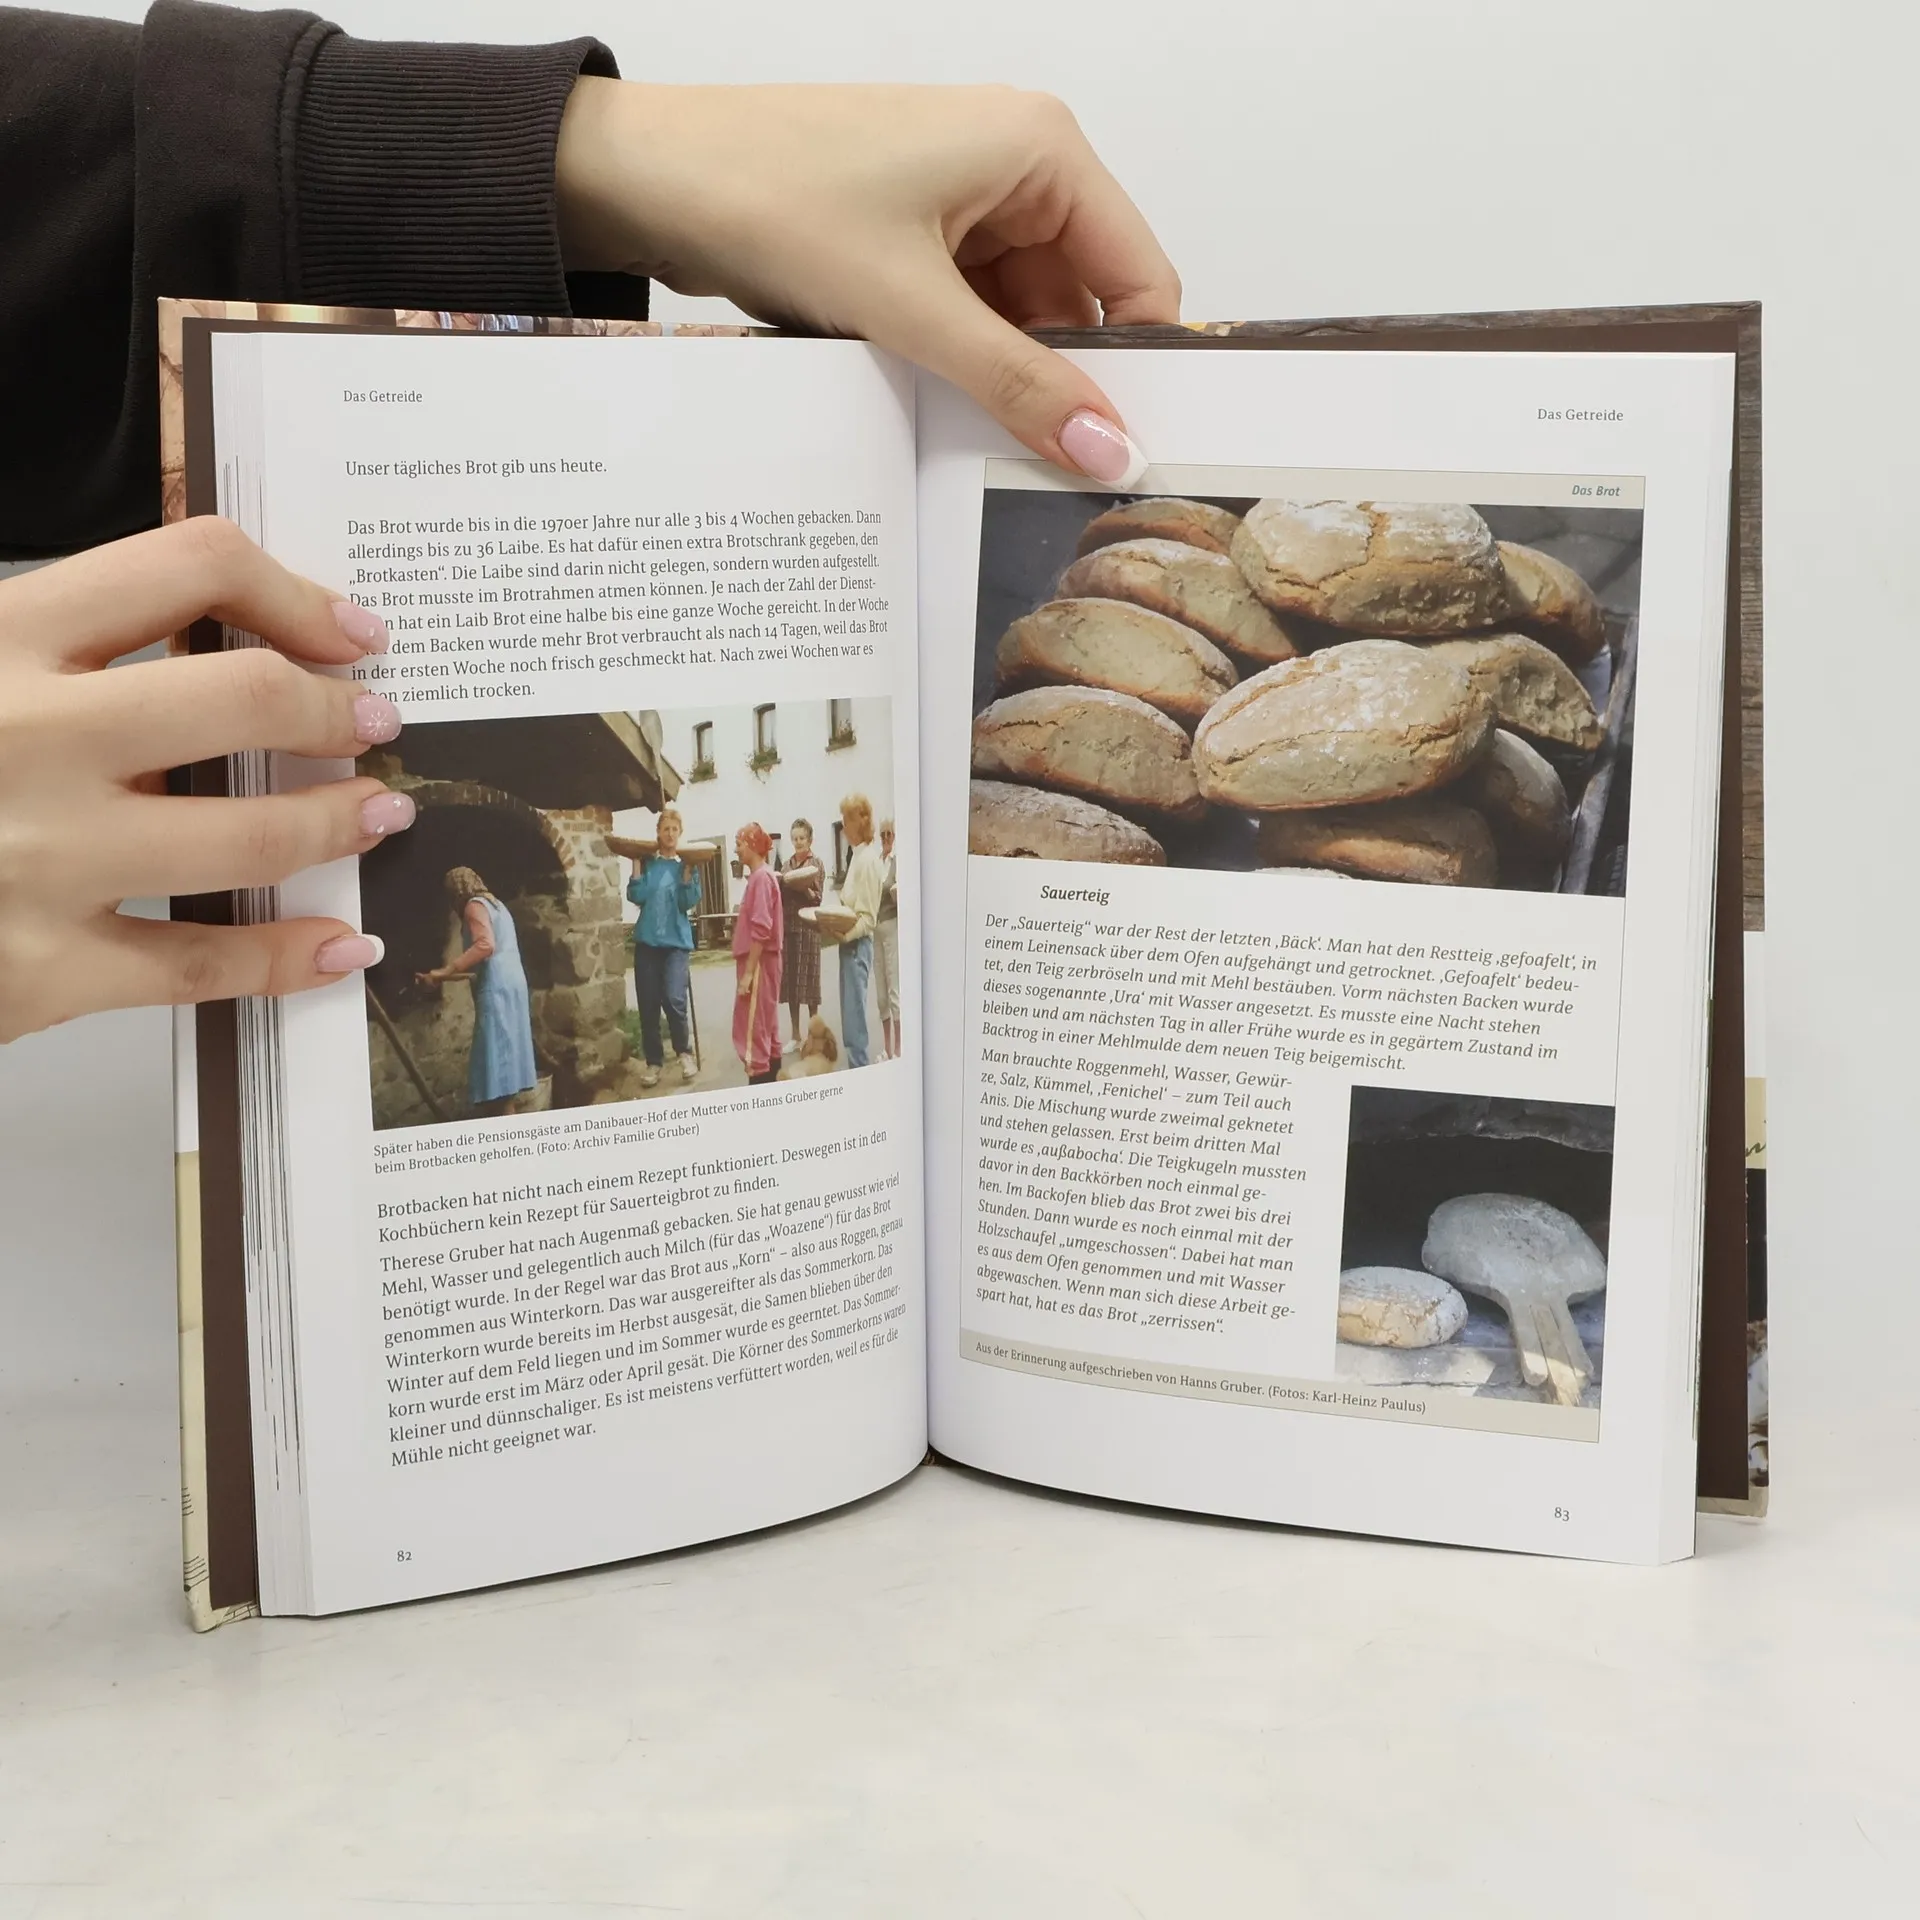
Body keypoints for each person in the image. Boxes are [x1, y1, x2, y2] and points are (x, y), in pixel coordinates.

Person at [0, 5, 1178, 1043]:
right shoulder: (670, 875)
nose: (735, 844)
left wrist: (599, 157)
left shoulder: (767, 872)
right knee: (686, 1013)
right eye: (732, 839)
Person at [414, 866, 537, 1119]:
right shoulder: (497, 906)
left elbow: (485, 945)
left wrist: (445, 969)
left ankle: (504, 1119)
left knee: (496, 1053)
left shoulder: (474, 906)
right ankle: (505, 1113)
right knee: (507, 1051)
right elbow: (487, 957)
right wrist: (439, 976)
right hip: (513, 983)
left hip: (497, 987)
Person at [627, 810, 701, 1088]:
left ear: (680, 833)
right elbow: (636, 895)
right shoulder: (649, 864)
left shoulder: (687, 865)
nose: (670, 834)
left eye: (674, 829)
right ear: (658, 832)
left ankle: (684, 1053)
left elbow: (687, 903)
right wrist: (636, 863)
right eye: (665, 828)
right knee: (648, 1006)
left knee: (674, 998)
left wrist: (687, 873)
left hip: (676, 946)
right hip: (647, 944)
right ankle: (654, 1063)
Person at [730, 823, 784, 1087]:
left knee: (753, 1028)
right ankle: (774, 1083)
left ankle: (760, 1089)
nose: (736, 849)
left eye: (739, 844)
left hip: (759, 962)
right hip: (763, 962)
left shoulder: (761, 878)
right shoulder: (760, 877)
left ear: (752, 845)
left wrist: (749, 973)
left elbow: (762, 929)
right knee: (766, 1026)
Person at [835, 793, 884, 1070]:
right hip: (849, 946)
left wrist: (843, 934)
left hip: (856, 946)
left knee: (855, 1027)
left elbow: (868, 919)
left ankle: (861, 1076)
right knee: (850, 1024)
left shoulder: (867, 860)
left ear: (859, 822)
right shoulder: (857, 856)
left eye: (846, 820)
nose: (843, 827)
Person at [777, 818, 826, 1052]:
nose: (798, 842)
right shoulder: (786, 866)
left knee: (811, 985)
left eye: (802, 838)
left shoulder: (816, 863)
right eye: (795, 838)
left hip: (809, 928)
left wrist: (804, 887)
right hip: (790, 929)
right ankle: (795, 1035)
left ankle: (813, 1036)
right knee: (792, 985)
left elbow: (818, 898)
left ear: (810, 840)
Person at [874, 817, 902, 1062]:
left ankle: (898, 1049)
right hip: (876, 927)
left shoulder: (897, 862)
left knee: (894, 987)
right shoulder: (876, 863)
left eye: (889, 834)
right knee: (881, 991)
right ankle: (886, 1047)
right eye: (882, 834)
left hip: (892, 925)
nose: (885, 839)